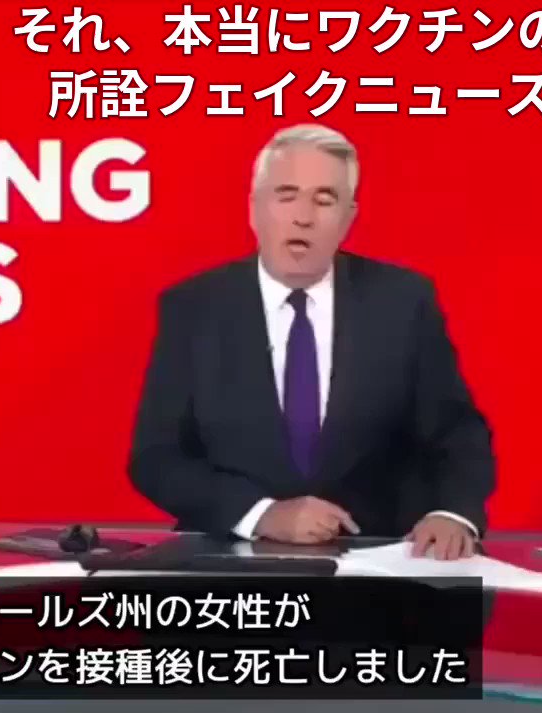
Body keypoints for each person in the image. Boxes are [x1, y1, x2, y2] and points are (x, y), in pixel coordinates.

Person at [127, 123, 496, 561]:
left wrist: (452, 513)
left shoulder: (403, 301)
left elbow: (457, 434)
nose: (303, 216)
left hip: (378, 567)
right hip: (230, 566)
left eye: (325, 199)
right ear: (254, 208)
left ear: (349, 216)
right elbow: (156, 457)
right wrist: (261, 515)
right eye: (286, 196)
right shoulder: (194, 307)